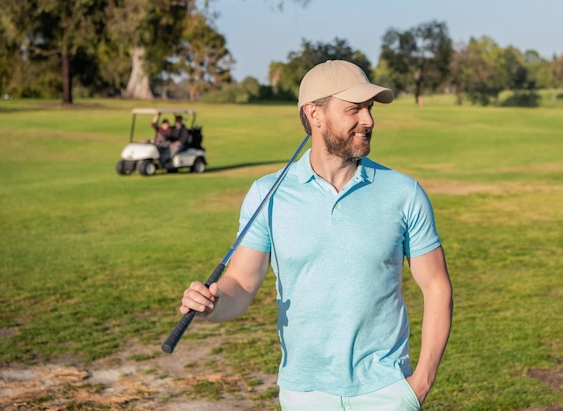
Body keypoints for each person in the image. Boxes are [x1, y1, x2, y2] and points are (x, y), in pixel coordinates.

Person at [179, 60, 453, 411]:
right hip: (304, 393)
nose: (368, 120)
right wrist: (213, 303)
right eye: (354, 109)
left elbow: (436, 286)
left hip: (386, 390)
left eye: (369, 109)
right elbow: (242, 284)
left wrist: (419, 384)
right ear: (314, 114)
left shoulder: (404, 192)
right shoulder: (268, 195)